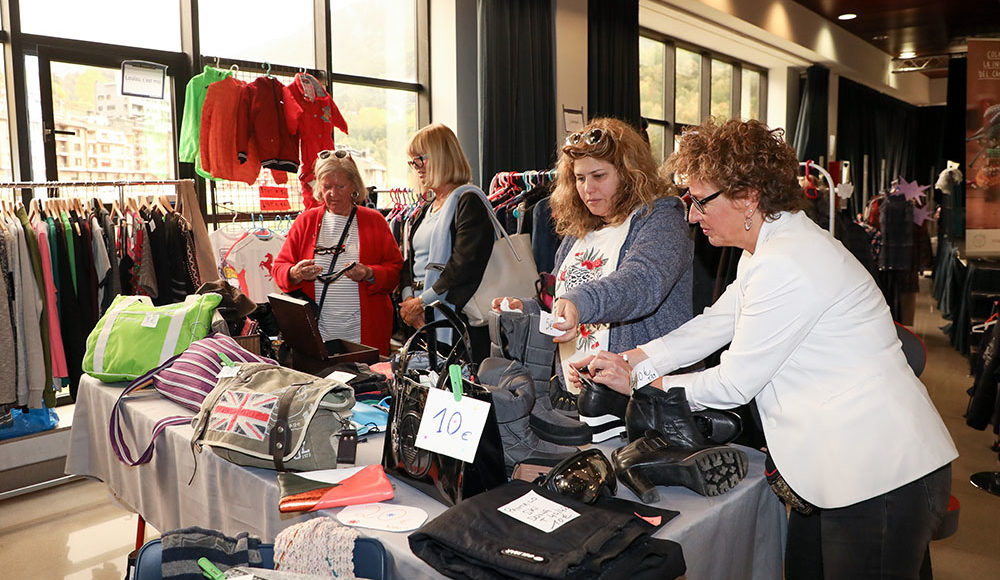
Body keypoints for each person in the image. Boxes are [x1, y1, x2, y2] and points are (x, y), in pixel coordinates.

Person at [582, 118, 958, 579]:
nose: (692, 216)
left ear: (748, 197)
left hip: (880, 471)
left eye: (700, 201)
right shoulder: (765, 248)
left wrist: (642, 383)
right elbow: (713, 325)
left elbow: (734, 383)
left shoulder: (789, 260)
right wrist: (627, 361)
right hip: (835, 468)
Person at [493, 117, 693, 393]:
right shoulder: (579, 232)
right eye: (580, 178)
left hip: (645, 396)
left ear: (629, 174)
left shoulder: (662, 219)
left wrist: (579, 303)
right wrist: (528, 309)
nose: (588, 188)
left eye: (599, 176)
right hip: (581, 395)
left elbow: (641, 282)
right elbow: (559, 299)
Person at [272, 150, 402, 356]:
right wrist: (295, 273)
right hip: (317, 334)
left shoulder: (375, 221)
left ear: (354, 186)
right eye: (327, 187)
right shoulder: (305, 221)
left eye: (340, 186)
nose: (333, 194)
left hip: (365, 334)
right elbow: (279, 269)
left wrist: (369, 273)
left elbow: (395, 271)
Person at [398, 123, 495, 361]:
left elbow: (464, 266)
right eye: (413, 162)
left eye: (419, 159)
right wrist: (409, 301)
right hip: (425, 318)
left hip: (457, 319)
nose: (416, 168)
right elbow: (410, 262)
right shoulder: (426, 208)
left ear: (441, 156)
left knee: (460, 382)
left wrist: (422, 302)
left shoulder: (468, 202)